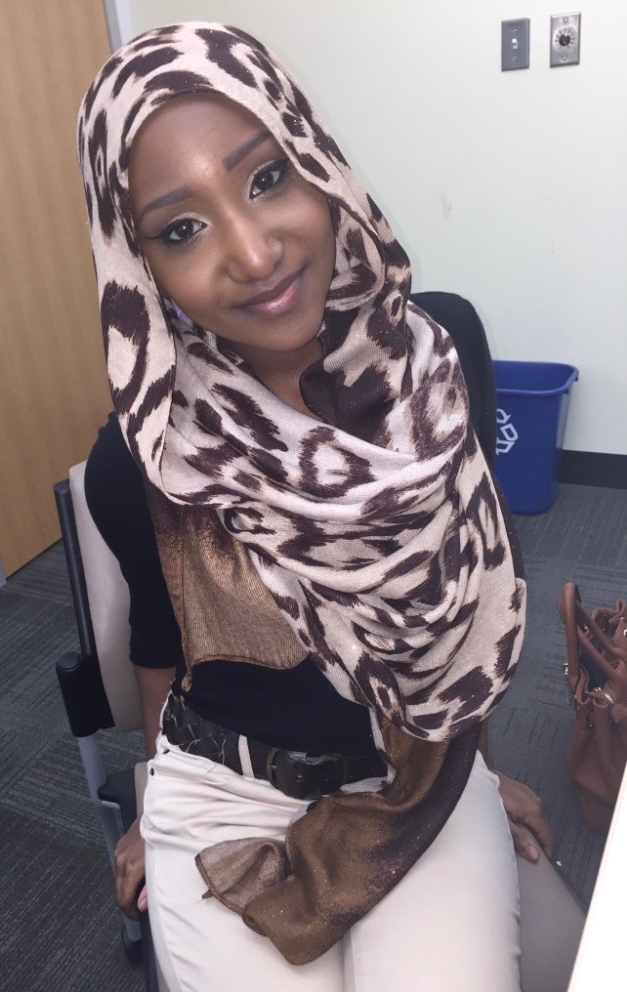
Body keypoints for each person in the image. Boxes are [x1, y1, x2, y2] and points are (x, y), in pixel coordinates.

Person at [78, 23, 554, 991]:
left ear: (317, 163)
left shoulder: (427, 374)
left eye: (265, 178)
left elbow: (450, 622)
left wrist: (476, 767)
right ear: (139, 263)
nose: (253, 253)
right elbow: (159, 646)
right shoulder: (145, 456)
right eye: (180, 228)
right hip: (224, 794)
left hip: (416, 769)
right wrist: (151, 799)